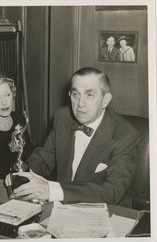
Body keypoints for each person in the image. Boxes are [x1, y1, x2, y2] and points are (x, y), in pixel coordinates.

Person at [13, 67, 140, 206]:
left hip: (104, 211)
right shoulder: (63, 117)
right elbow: (44, 157)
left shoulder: (125, 135)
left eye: (89, 95)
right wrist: (22, 175)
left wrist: (51, 190)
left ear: (105, 100)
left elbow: (111, 192)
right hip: (61, 205)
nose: (80, 103)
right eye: (75, 94)